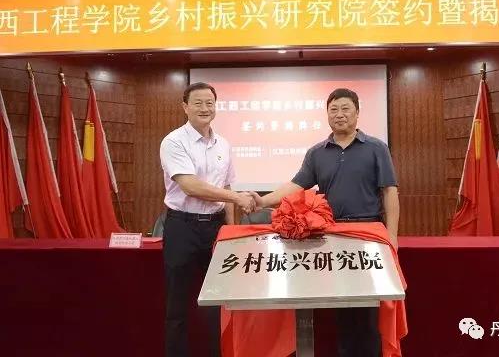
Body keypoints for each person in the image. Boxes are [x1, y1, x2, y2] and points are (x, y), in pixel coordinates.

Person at [252, 87, 399, 357]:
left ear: (357, 113)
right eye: (333, 110)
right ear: (327, 115)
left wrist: (392, 237)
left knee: (368, 310)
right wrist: (262, 201)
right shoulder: (317, 152)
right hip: (332, 235)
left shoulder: (377, 148)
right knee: (342, 309)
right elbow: (296, 186)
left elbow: (390, 192)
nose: (339, 114)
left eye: (345, 109)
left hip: (368, 234)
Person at [160, 82, 255, 357]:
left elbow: (226, 189)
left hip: (215, 227)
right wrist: (236, 197)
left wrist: (231, 232)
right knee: (177, 305)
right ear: (185, 107)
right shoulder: (174, 141)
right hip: (182, 227)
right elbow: (190, 186)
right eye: (198, 103)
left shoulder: (223, 144)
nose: (205, 108)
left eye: (209, 103)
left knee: (217, 300)